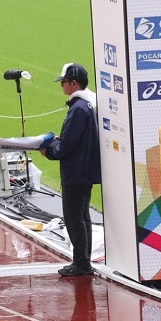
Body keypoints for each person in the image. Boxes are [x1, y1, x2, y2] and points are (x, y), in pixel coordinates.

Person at [39, 63, 101, 277]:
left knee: (75, 217)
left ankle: (81, 263)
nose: (61, 86)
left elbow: (67, 146)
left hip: (76, 171)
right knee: (83, 216)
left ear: (73, 83)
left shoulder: (77, 109)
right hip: (86, 169)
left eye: (64, 82)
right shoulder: (89, 105)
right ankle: (83, 260)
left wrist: (50, 150)